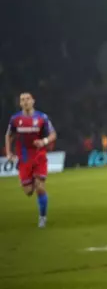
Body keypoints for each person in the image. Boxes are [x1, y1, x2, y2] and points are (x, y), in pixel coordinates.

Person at [5, 92, 56, 228]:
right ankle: (31, 180)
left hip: (39, 156)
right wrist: (9, 152)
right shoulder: (15, 119)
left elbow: (53, 134)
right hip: (24, 158)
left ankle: (42, 217)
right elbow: (9, 135)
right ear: (20, 103)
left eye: (28, 99)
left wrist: (43, 141)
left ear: (33, 101)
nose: (25, 101)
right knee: (28, 191)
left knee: (40, 187)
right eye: (22, 100)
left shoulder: (42, 118)